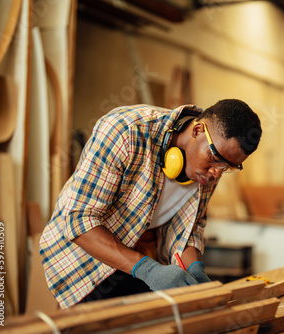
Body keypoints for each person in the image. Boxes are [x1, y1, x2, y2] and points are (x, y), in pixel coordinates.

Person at [39, 99, 262, 309]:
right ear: (197, 130)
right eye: (214, 159)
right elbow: (78, 220)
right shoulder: (125, 131)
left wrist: (195, 269)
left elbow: (189, 228)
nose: (216, 174)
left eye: (228, 167)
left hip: (134, 258)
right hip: (81, 261)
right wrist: (148, 269)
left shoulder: (209, 169)